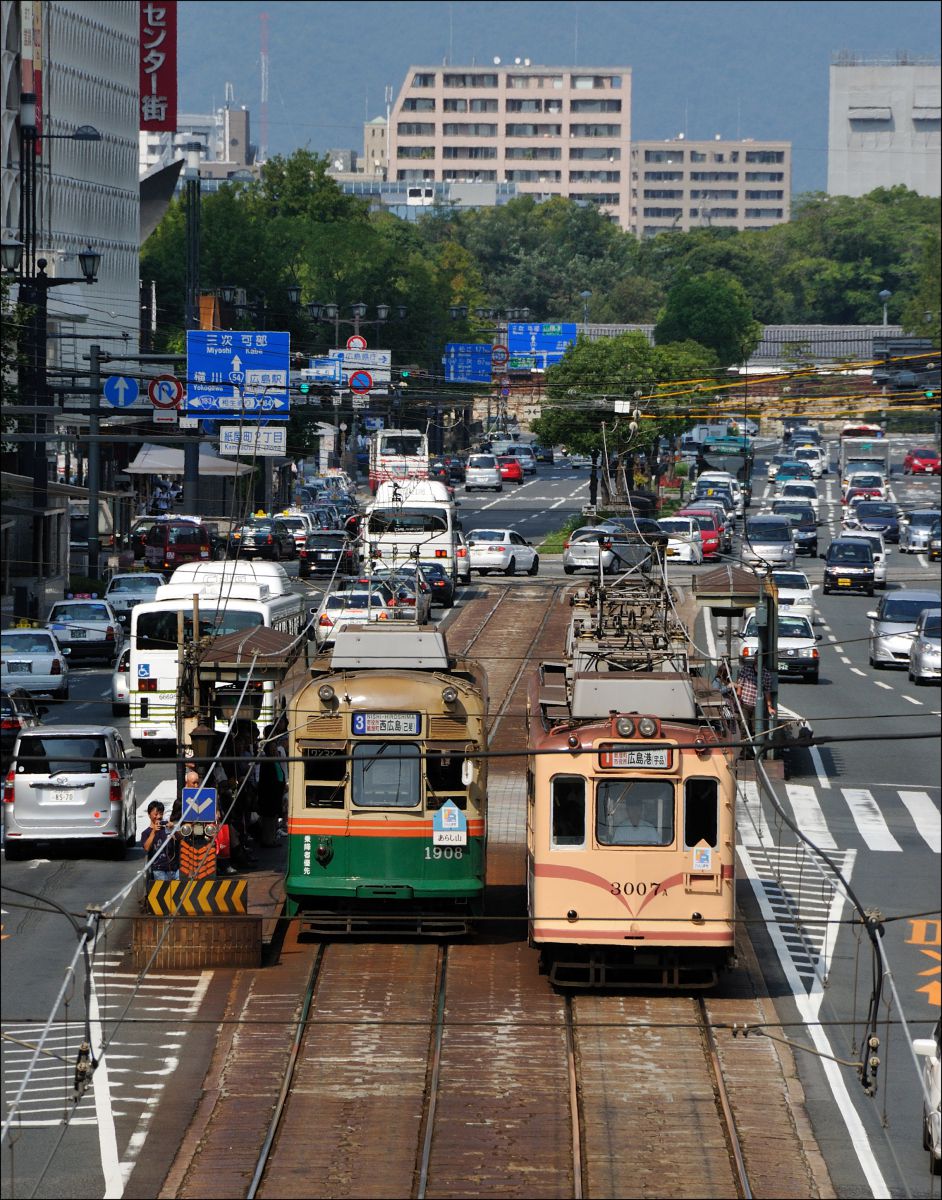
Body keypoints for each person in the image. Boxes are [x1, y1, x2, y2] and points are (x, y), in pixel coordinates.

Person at [141, 800, 179, 881]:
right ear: (149, 814)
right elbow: (146, 848)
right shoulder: (146, 833)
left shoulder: (167, 825)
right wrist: (153, 832)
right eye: (156, 814)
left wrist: (173, 829)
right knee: (163, 891)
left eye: (161, 814)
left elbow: (180, 838)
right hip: (159, 869)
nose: (158, 816)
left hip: (174, 868)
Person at [735, 659, 774, 732]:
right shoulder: (746, 669)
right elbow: (740, 686)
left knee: (756, 728)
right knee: (744, 725)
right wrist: (738, 699)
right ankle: (744, 741)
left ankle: (754, 742)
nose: (756, 659)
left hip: (757, 706)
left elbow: (767, 692)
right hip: (744, 703)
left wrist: (769, 707)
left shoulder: (766, 674)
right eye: (756, 657)